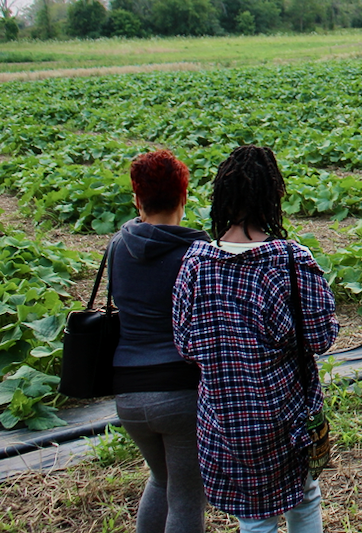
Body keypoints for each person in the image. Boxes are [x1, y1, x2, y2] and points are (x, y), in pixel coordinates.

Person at [174, 145, 338, 533]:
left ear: (222, 199)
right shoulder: (290, 260)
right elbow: (321, 336)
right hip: (287, 412)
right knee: (304, 497)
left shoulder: (195, 264)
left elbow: (185, 345)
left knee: (255, 517)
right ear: (272, 197)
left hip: (223, 416)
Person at [112, 150, 210, 533]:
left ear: (137, 198)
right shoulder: (196, 254)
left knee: (161, 479)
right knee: (186, 497)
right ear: (184, 197)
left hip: (128, 394)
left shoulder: (118, 247)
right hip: (179, 393)